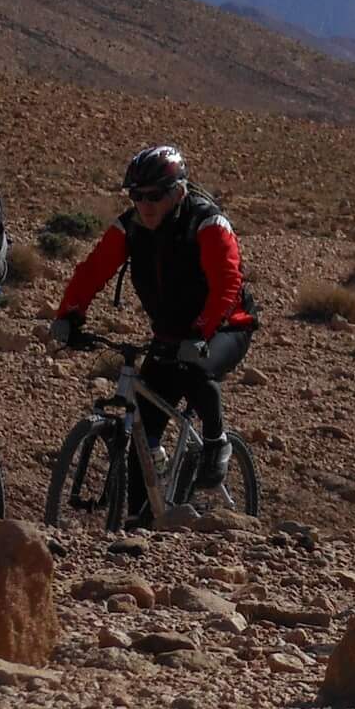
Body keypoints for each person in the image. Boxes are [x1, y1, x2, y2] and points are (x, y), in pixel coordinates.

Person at [49, 145, 258, 497]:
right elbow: (92, 270)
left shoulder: (206, 222)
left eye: (154, 196)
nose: (144, 205)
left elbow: (227, 282)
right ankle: (138, 525)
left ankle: (216, 441)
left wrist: (202, 331)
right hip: (171, 332)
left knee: (195, 369)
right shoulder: (131, 226)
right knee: (142, 438)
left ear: (177, 192)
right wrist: (69, 314)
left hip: (225, 327)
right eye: (136, 195)